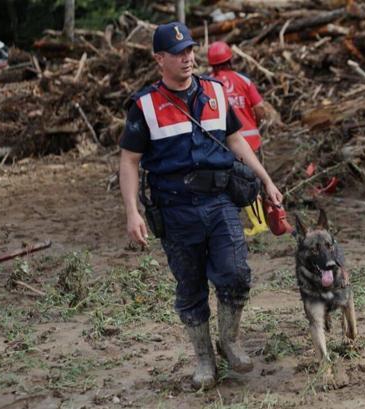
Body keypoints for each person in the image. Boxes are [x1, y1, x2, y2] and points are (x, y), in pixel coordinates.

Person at [118, 22, 283, 388]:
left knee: (236, 274)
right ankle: (204, 358)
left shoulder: (215, 91)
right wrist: (132, 211)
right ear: (160, 59)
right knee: (190, 288)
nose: (188, 58)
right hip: (175, 210)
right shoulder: (144, 105)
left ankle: (230, 340)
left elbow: (236, 139)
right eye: (178, 53)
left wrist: (266, 180)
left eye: (190, 50)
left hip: (220, 200)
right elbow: (129, 161)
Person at [207, 41, 268, 236]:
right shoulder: (244, 80)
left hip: (224, 143)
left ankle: (259, 223)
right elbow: (260, 109)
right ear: (230, 59)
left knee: (236, 182)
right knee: (252, 181)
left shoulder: (209, 84)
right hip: (250, 140)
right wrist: (255, 121)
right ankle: (261, 221)